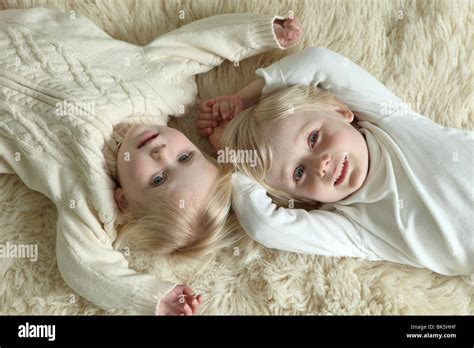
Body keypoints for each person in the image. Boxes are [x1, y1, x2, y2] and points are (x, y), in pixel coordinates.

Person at [0, 7, 302, 315]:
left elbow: (84, 267)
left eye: (157, 180)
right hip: (24, 29)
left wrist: (152, 297)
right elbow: (197, 44)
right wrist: (262, 32)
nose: (161, 154)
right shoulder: (161, 87)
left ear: (124, 202)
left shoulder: (87, 196)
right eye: (185, 157)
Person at [198, 47, 473, 277]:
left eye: (314, 138)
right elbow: (264, 225)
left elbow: (321, 61)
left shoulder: (392, 123)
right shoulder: (356, 227)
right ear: (302, 199)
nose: (321, 165)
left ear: (341, 111)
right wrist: (233, 157)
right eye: (299, 173)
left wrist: (242, 97)